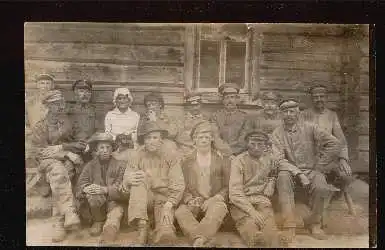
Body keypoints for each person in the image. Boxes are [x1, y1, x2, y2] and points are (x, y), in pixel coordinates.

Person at [271, 98, 342, 243]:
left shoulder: (311, 127)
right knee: (282, 179)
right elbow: (278, 159)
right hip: (289, 170)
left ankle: (315, 224)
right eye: (285, 112)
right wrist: (298, 173)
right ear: (281, 115)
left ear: (298, 113)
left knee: (321, 186)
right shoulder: (277, 133)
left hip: (312, 169)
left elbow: (335, 144)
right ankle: (289, 226)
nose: (289, 114)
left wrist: (320, 165)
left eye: (292, 111)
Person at [28, 90, 85, 242]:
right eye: (54, 104)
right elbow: (37, 151)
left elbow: (81, 144)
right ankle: (69, 213)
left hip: (66, 162)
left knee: (65, 170)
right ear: (47, 106)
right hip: (47, 163)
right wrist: (65, 154)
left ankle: (60, 221)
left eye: (61, 103)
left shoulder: (69, 122)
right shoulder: (40, 126)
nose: (59, 107)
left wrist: (61, 147)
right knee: (60, 170)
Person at [121, 121, 185, 245]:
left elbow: (178, 184)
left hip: (165, 200)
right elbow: (126, 182)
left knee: (166, 235)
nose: (151, 141)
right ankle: (142, 227)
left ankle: (161, 229)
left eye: (155, 137)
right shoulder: (137, 155)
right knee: (138, 180)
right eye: (148, 138)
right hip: (144, 200)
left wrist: (169, 204)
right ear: (143, 140)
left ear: (161, 140)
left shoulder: (171, 155)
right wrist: (128, 181)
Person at [175, 121, 230, 247]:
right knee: (180, 211)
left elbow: (227, 186)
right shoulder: (186, 161)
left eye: (207, 137)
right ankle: (203, 238)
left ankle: (198, 239)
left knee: (219, 208)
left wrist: (215, 198)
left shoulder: (222, 160)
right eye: (200, 137)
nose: (204, 140)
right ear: (194, 140)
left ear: (211, 139)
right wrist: (189, 199)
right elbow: (181, 185)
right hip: (195, 200)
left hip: (214, 200)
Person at [302, 84, 355, 215]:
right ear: (311, 99)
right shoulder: (304, 115)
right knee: (315, 177)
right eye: (315, 97)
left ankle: (332, 198)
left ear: (326, 98)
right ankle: (315, 199)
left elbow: (341, 139)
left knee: (345, 176)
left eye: (322, 96)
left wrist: (343, 159)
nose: (319, 99)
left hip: (330, 158)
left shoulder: (332, 115)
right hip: (311, 158)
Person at [229, 130, 282, 247]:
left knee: (270, 231)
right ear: (247, 144)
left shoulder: (271, 159)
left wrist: (271, 181)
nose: (256, 148)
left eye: (260, 144)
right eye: (253, 144)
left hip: (261, 201)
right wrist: (251, 212)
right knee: (249, 228)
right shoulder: (239, 161)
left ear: (266, 146)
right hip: (241, 202)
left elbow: (273, 176)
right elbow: (235, 193)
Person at [76, 132, 128, 244]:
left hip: (114, 202)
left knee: (115, 214)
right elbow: (80, 184)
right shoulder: (90, 166)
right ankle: (98, 221)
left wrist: (105, 189)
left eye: (108, 147)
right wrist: (86, 188)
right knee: (93, 194)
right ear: (96, 150)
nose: (105, 150)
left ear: (112, 149)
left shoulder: (121, 165)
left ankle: (109, 229)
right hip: (97, 205)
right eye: (101, 147)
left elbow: (122, 187)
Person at [174, 92, 233, 158]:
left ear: (201, 105)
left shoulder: (207, 119)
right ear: (187, 106)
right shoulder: (181, 120)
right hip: (185, 151)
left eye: (197, 105)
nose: (195, 108)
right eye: (192, 105)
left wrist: (228, 152)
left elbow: (216, 138)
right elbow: (179, 137)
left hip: (203, 151)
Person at [210, 83, 248, 156]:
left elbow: (244, 138)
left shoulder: (244, 117)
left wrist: (232, 152)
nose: (230, 101)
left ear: (237, 99)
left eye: (232, 97)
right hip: (219, 153)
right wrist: (224, 151)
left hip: (239, 154)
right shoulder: (215, 116)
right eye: (227, 98)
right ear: (223, 100)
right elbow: (215, 137)